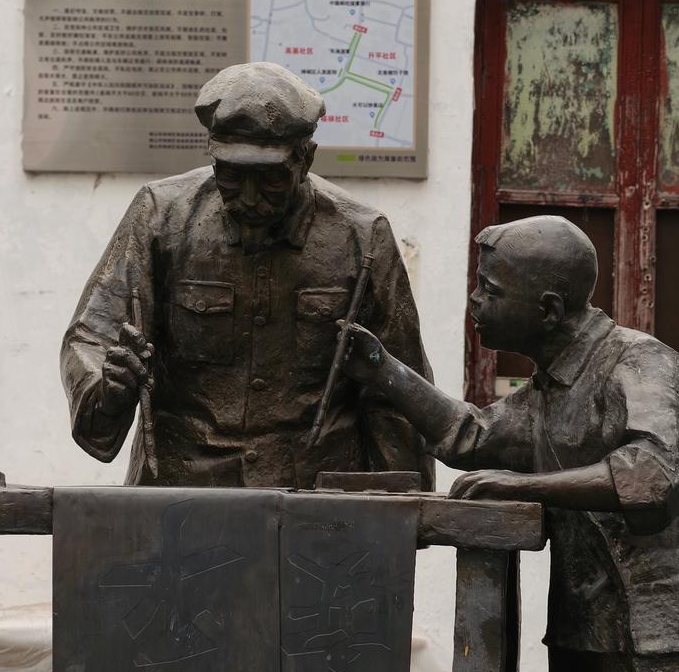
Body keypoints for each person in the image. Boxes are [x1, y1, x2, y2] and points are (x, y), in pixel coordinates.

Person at [339, 215, 679, 672]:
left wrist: (524, 487)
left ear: (548, 309)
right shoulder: (551, 388)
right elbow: (471, 436)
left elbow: (650, 476)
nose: (475, 302)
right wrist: (383, 370)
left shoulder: (641, 363)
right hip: (585, 637)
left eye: (490, 289)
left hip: (661, 641)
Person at [61, 61, 433, 489]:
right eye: (232, 176)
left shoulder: (362, 237)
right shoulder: (160, 217)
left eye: (271, 178)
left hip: (316, 497)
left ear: (306, 159)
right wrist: (109, 386)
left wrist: (405, 506)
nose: (251, 197)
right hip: (182, 491)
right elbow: (92, 335)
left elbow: (398, 385)